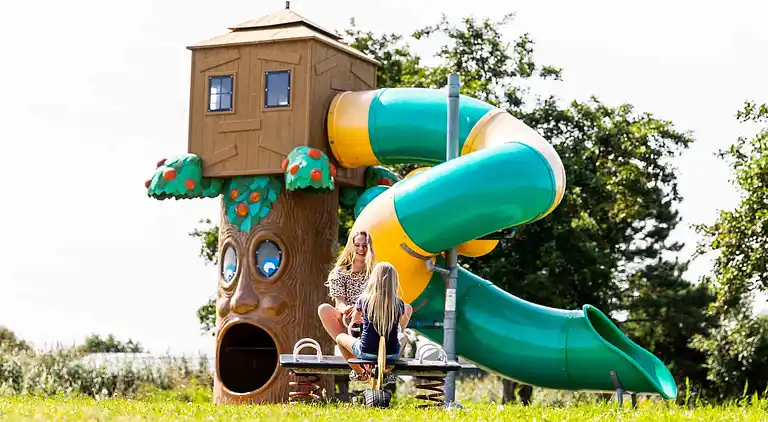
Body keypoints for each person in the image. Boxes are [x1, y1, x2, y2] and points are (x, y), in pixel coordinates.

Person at [335, 262, 413, 382]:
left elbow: (356, 319)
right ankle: (388, 371)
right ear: (394, 281)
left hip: (367, 351)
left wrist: (364, 320)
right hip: (390, 353)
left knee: (340, 337)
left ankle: (359, 373)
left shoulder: (364, 300)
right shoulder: (399, 303)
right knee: (403, 337)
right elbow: (400, 324)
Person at [317, 230, 376, 373]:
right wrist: (348, 310)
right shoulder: (340, 272)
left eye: (365, 245)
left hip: (369, 319)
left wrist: (362, 311)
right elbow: (339, 303)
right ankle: (356, 366)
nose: (361, 249)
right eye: (357, 245)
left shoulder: (374, 273)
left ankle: (387, 358)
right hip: (347, 319)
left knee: (405, 308)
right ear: (351, 246)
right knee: (324, 309)